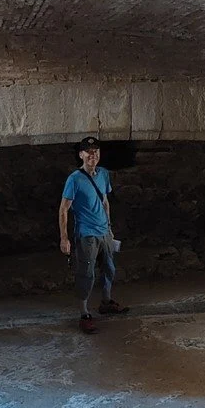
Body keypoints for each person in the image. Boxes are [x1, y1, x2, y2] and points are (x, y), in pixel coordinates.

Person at [59, 136, 129, 333]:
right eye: (88, 152)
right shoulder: (74, 179)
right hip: (86, 234)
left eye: (96, 152)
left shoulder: (103, 174)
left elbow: (105, 201)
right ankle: (84, 313)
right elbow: (64, 209)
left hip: (104, 232)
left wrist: (109, 226)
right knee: (86, 274)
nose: (93, 155)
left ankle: (106, 302)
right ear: (81, 154)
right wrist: (64, 238)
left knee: (109, 268)